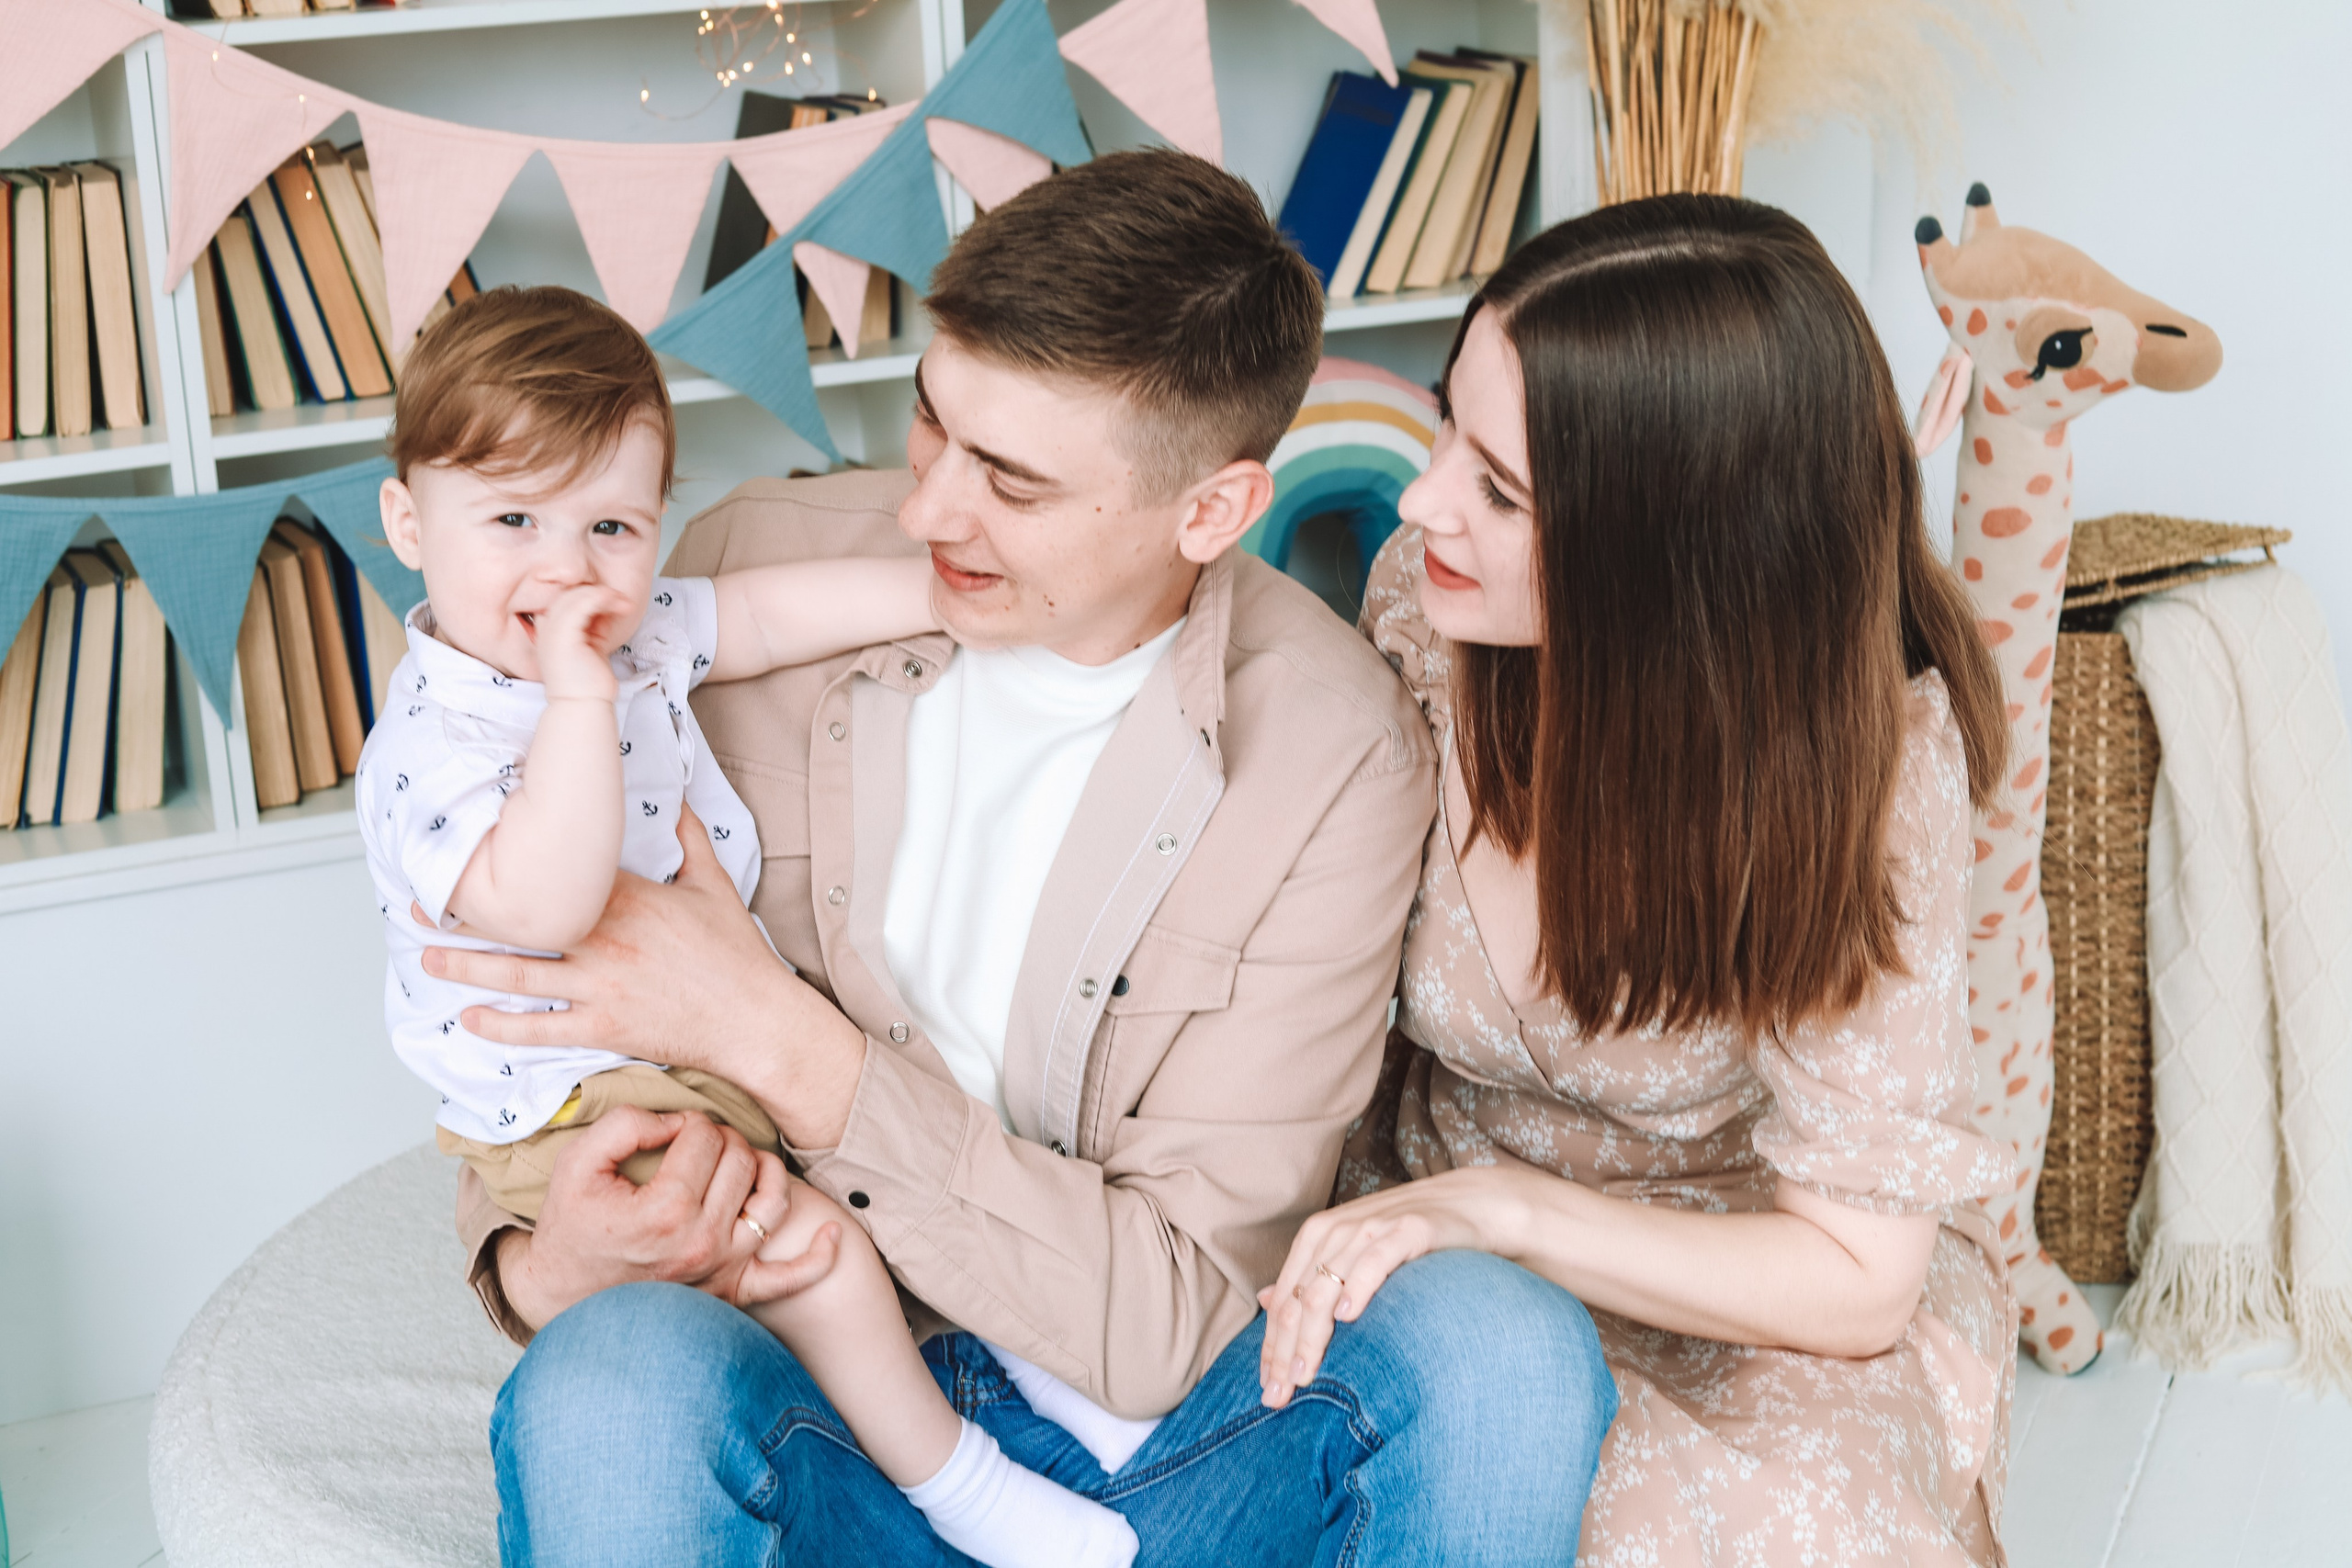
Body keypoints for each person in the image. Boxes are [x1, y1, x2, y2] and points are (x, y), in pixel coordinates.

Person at [420, 151, 1617, 1565]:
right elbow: (520, 1029)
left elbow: (1170, 1321)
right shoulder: (743, 586)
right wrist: (552, 1263)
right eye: (935, 425)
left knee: (1501, 1347)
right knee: (607, 1388)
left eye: (1014, 481)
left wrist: (772, 1036)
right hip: (826, 1428)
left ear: (1211, 513)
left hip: (1169, 1463)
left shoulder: (1335, 757)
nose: (929, 513)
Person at [1262, 195, 2022, 1565]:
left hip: (1749, 1278)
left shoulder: (1873, 770)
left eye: (1501, 489)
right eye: (1450, 428)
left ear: (1680, 562)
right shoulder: (1426, 616)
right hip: (1432, 1230)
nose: (1425, 497)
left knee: (1768, 1531)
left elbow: (1851, 1280)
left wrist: (1503, 1213)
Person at [361, 284, 1138, 1568]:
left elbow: (768, 616)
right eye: (512, 521)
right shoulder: (434, 744)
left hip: (701, 1023)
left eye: (611, 524)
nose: (567, 568)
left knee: (907, 1122)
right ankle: (966, 1488)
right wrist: (572, 693)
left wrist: (944, 596)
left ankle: (1040, 1365)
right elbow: (550, 904)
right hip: (572, 1092)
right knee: (818, 1249)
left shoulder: (633, 628)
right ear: (409, 522)